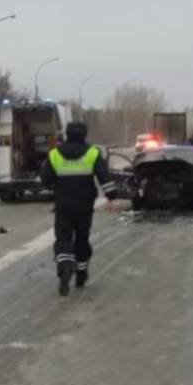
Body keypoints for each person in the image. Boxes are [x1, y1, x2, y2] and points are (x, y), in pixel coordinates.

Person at [40, 121, 119, 296]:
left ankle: (65, 266)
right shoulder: (92, 153)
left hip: (63, 203)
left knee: (63, 237)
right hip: (84, 204)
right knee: (82, 238)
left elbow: (45, 179)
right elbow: (104, 176)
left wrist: (55, 186)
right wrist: (111, 197)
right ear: (85, 134)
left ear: (67, 134)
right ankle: (81, 273)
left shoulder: (55, 154)